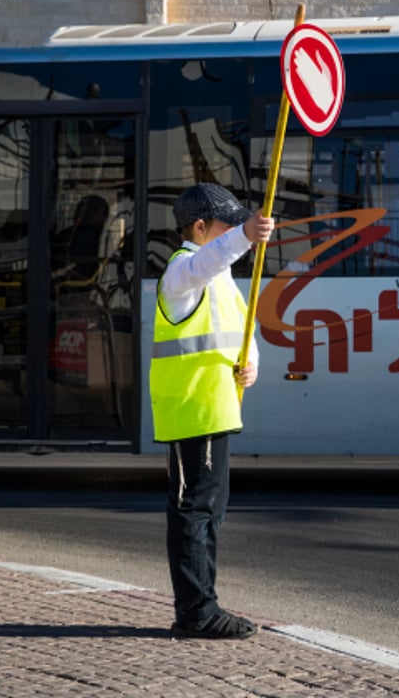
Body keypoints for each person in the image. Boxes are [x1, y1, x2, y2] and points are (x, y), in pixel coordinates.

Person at [150, 182, 274, 640]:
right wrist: (244, 235)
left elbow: (243, 329)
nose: (231, 239)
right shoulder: (182, 272)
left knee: (208, 511)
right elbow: (208, 260)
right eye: (224, 226)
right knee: (194, 511)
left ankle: (202, 606)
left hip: (215, 409)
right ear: (199, 228)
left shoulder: (215, 278)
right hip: (192, 409)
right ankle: (196, 612)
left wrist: (251, 365)